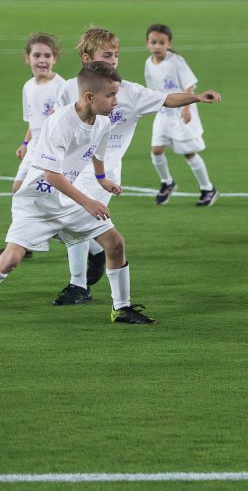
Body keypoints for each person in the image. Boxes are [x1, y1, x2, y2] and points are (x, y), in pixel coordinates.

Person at [52, 28, 222, 306]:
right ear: (87, 59)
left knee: (77, 218)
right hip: (69, 167)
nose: (114, 60)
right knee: (62, 224)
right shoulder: (68, 88)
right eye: (107, 55)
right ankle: (96, 251)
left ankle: (78, 285)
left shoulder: (127, 92)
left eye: (116, 55)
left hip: (103, 172)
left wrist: (197, 97)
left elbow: (165, 98)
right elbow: (56, 123)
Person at [1, 62, 156, 324]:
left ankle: (122, 309)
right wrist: (88, 202)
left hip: (69, 200)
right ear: (88, 96)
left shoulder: (104, 122)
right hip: (38, 201)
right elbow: (51, 175)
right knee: (10, 261)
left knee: (115, 243)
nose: (116, 101)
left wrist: (101, 179)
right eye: (110, 95)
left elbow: (97, 152)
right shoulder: (60, 122)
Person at [145, 24, 219, 207]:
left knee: (189, 153)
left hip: (181, 111)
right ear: (147, 43)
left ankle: (208, 188)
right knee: (156, 150)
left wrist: (186, 108)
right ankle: (167, 182)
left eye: (162, 42)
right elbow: (151, 89)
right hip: (163, 111)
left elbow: (189, 85)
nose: (157, 46)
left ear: (169, 43)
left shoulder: (176, 61)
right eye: (153, 42)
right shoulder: (148, 63)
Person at [13, 33, 65, 195]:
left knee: (45, 196)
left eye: (47, 55)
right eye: (36, 55)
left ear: (54, 58)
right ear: (27, 58)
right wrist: (25, 143)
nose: (42, 60)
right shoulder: (28, 86)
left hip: (50, 151)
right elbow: (33, 120)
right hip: (34, 148)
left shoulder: (61, 87)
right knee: (17, 189)